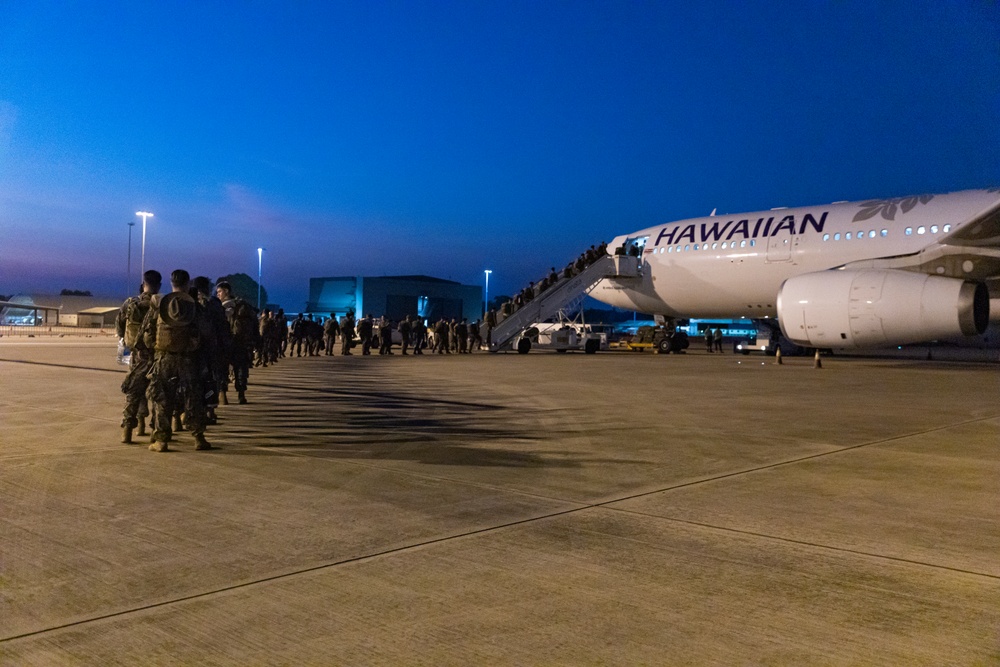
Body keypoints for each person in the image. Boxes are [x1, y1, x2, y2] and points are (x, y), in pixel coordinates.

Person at [142, 269, 211, 452]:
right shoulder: (195, 306)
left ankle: (162, 440)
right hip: (189, 359)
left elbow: (147, 333)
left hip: (164, 357)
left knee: (162, 399)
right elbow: (206, 332)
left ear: (171, 284)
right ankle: (198, 438)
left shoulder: (158, 303)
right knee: (193, 396)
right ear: (188, 284)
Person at [116, 270, 162, 444]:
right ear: (159, 285)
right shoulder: (162, 304)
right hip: (158, 356)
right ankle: (155, 432)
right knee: (158, 395)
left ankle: (129, 430)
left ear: (144, 284)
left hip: (137, 356)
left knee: (134, 393)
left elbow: (120, 327)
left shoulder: (130, 304)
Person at [217, 281, 256, 405]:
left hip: (225, 343)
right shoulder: (241, 306)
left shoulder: (220, 307)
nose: (218, 294)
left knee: (222, 369)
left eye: (220, 291)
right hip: (240, 342)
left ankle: (223, 394)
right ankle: (241, 395)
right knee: (240, 369)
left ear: (226, 291)